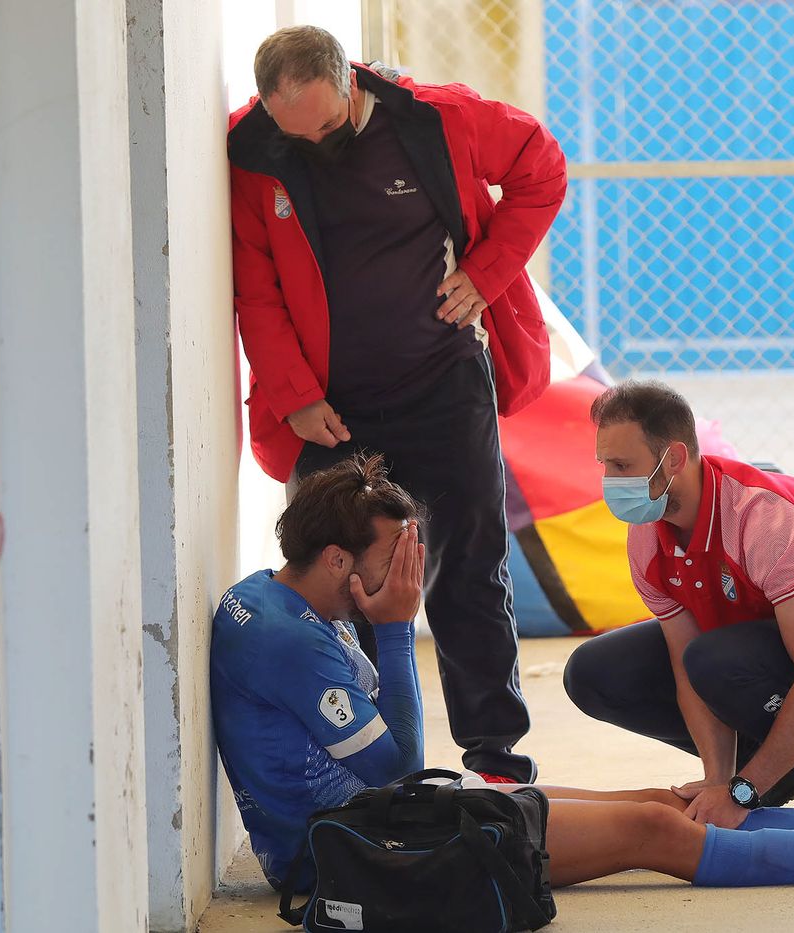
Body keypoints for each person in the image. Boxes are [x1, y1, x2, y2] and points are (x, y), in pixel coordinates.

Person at [210, 455, 794, 895]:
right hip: (357, 853)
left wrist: (384, 618)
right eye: (395, 560)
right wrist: (393, 630)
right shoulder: (293, 643)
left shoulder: (271, 596)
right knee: (659, 834)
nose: (407, 577)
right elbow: (394, 766)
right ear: (335, 558)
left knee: (669, 801)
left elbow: (394, 772)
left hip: (397, 818)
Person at [227, 25, 568, 783]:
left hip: (443, 382)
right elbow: (256, 289)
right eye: (294, 134)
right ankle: (352, 754)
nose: (311, 144)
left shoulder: (435, 118)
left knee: (469, 562)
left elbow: (542, 167)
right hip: (333, 408)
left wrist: (487, 273)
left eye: (324, 126)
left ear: (350, 83)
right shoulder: (255, 150)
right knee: (328, 572)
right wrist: (297, 397)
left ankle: (495, 755)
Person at [562, 380, 794, 826]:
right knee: (594, 672)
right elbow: (684, 669)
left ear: (674, 458)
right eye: (605, 466)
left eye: (623, 466)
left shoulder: (762, 521)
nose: (610, 483)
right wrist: (719, 779)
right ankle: (769, 767)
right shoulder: (646, 537)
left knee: (714, 660)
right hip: (762, 648)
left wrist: (742, 793)